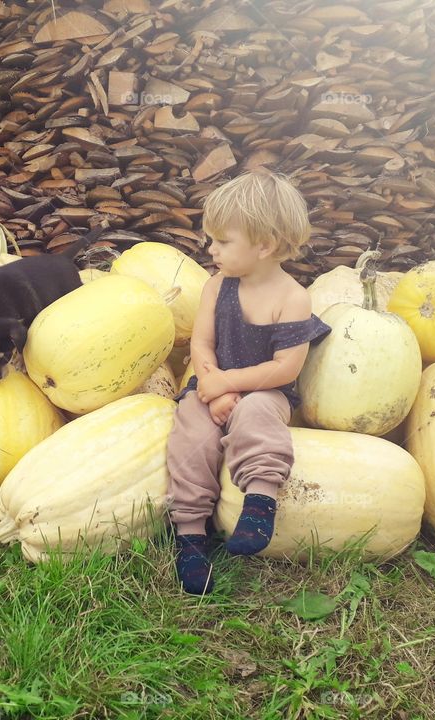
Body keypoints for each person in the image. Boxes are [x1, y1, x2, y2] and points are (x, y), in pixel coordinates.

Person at [166, 168, 331, 595]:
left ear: (265, 245)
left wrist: (228, 386)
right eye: (212, 240)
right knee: (191, 428)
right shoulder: (217, 286)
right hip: (210, 384)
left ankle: (259, 503)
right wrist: (210, 386)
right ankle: (189, 534)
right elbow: (201, 345)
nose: (211, 249)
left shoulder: (292, 297)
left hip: (264, 390)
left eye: (222, 241)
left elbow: (285, 368)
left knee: (257, 413)